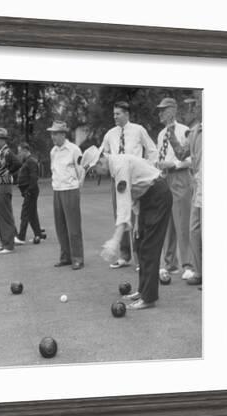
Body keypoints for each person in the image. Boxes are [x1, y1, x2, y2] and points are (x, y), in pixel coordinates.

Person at [81, 146, 173, 310]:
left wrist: (115, 240)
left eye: (95, 169)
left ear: (101, 160)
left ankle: (148, 298)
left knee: (149, 247)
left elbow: (123, 205)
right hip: (147, 198)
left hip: (158, 196)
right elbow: (134, 195)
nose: (96, 173)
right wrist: (137, 222)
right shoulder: (117, 166)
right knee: (140, 243)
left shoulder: (119, 166)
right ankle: (142, 290)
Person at [100, 101, 158, 269]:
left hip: (137, 180)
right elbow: (102, 154)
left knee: (138, 217)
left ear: (126, 114)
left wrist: (149, 167)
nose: (115, 117)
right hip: (118, 179)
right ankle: (124, 256)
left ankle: (140, 258)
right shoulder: (110, 134)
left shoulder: (139, 130)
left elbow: (152, 150)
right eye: (113, 114)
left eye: (118, 113)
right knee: (120, 214)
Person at [156, 98, 194, 281]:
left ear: (173, 110)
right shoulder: (161, 133)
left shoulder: (184, 130)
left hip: (180, 177)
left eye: (163, 110)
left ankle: (188, 264)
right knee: (167, 223)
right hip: (164, 179)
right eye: (160, 110)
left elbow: (191, 159)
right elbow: (159, 155)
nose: (160, 114)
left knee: (182, 222)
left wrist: (173, 164)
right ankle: (170, 264)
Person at [171, 98, 202, 286]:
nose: (186, 113)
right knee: (194, 231)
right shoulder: (193, 133)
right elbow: (182, 154)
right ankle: (199, 272)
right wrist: (172, 137)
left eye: (190, 108)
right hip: (199, 188)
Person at [48, 121, 84, 270]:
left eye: (55, 133)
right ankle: (66, 257)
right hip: (57, 190)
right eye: (52, 133)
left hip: (70, 189)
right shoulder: (53, 152)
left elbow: (81, 171)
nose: (53, 136)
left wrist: (77, 189)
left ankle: (77, 258)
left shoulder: (74, 150)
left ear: (63, 134)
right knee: (60, 226)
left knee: (73, 227)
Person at [0, 128, 21, 254]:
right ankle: (5, 242)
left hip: (4, 185)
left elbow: (18, 163)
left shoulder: (7, 152)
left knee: (5, 214)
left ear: (3, 140)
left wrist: (9, 172)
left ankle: (9, 245)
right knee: (0, 214)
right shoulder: (0, 152)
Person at [15, 142, 42, 244]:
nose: (19, 154)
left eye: (19, 152)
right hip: (29, 191)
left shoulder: (31, 161)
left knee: (25, 213)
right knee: (31, 214)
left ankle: (21, 237)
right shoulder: (27, 161)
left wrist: (29, 191)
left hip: (30, 191)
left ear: (25, 151)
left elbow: (34, 177)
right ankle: (38, 234)